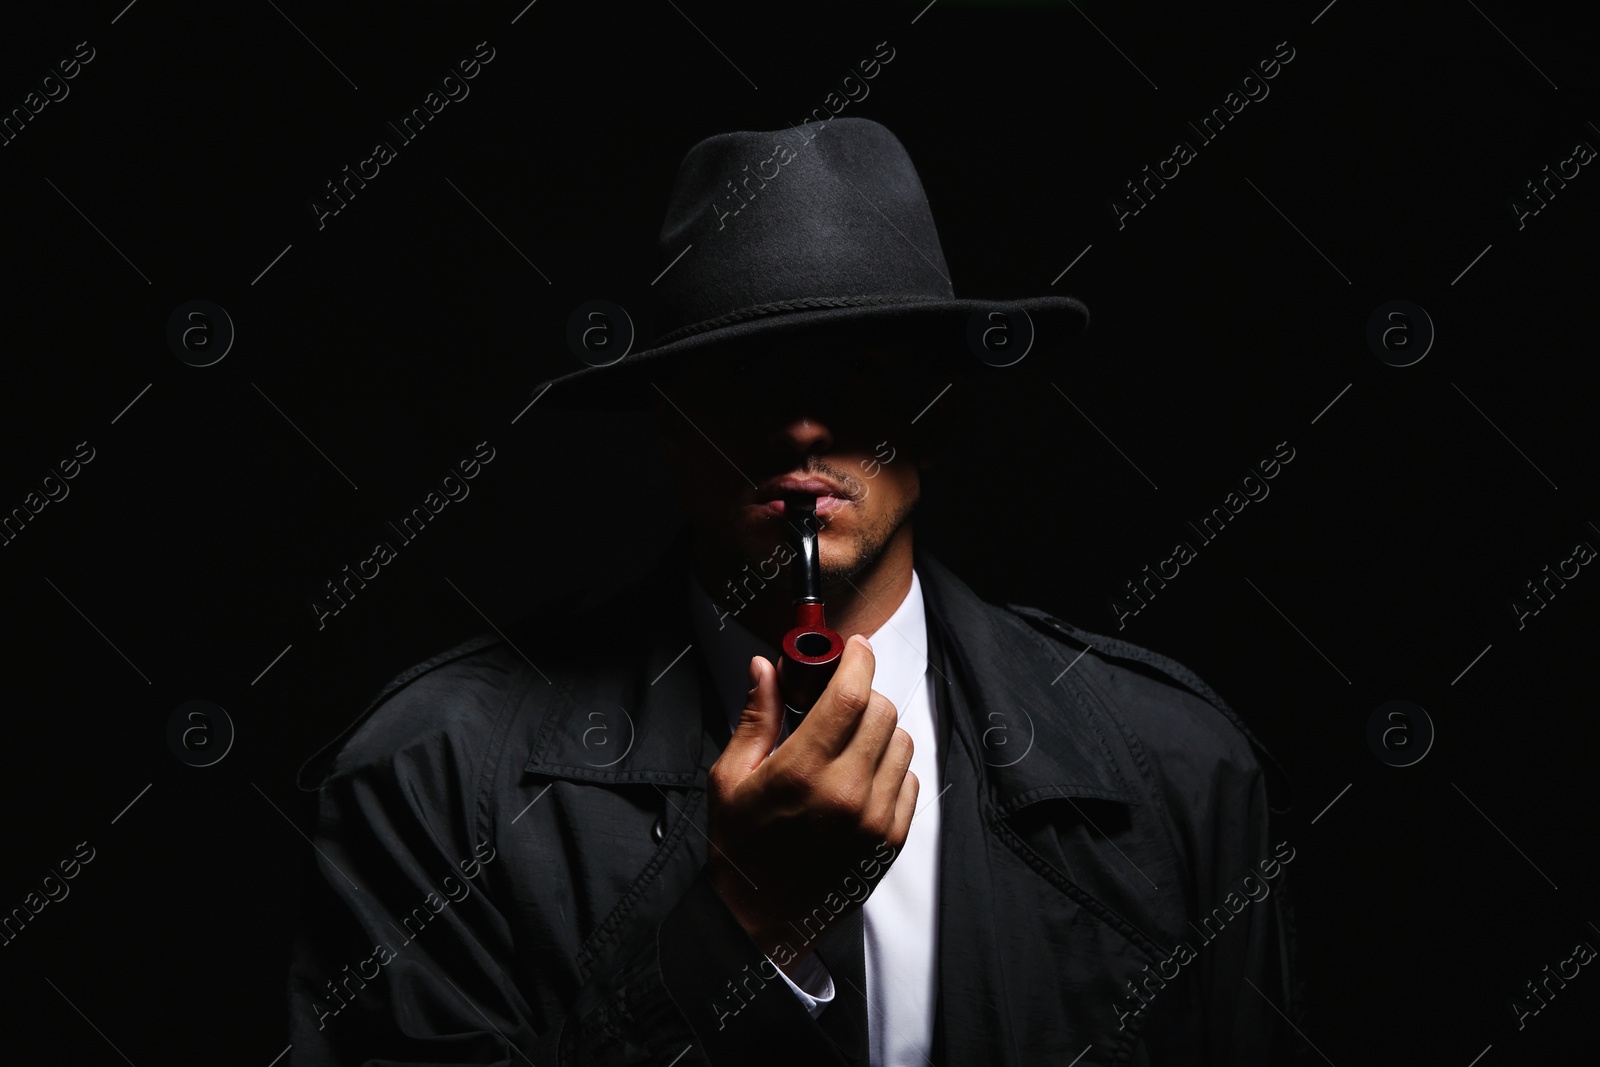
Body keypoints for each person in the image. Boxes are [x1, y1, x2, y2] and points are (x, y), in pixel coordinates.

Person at [287, 117, 1305, 1066]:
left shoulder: (1177, 770)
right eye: (745, 376)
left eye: (856, 374)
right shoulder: (430, 780)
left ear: (940, 412)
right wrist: (738, 926)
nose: (803, 429)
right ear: (669, 420)